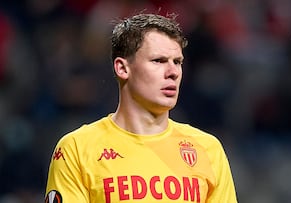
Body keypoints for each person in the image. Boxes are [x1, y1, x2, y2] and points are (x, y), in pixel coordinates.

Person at [45, 13, 238, 203]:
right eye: (158, 61)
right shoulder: (77, 149)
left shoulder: (208, 149)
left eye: (177, 62)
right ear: (122, 68)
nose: (172, 72)